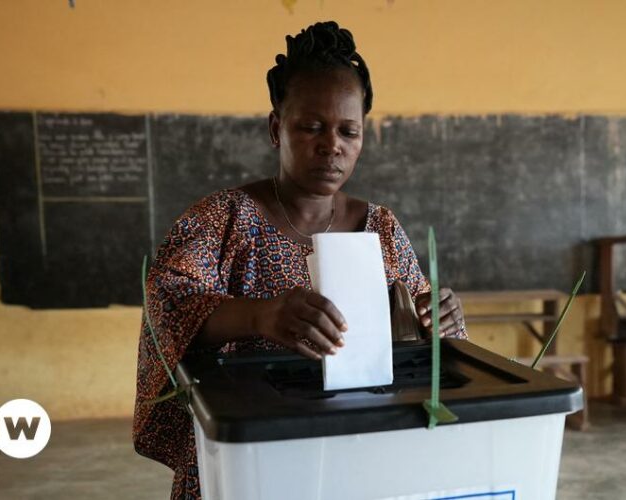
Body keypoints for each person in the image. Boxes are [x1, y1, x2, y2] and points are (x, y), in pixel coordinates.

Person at [133, 21, 467, 499]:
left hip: (357, 448)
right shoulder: (222, 219)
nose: (332, 145)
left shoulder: (382, 228)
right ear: (276, 128)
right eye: (311, 127)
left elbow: (413, 323)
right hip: (249, 450)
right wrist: (260, 315)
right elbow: (167, 305)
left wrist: (439, 320)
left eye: (349, 131)